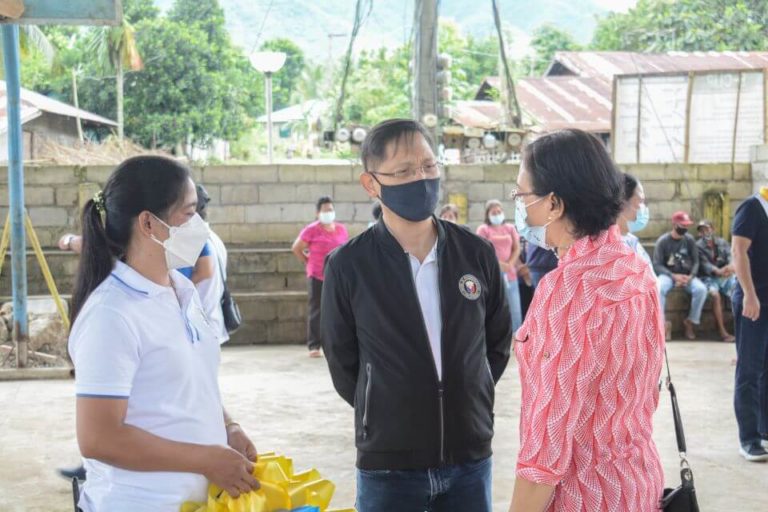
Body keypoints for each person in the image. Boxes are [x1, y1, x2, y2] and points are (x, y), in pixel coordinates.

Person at [322, 119, 512, 512]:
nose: (421, 179)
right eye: (404, 171)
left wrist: (470, 391)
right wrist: (384, 404)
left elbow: (496, 342)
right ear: (372, 184)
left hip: (470, 457)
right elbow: (343, 363)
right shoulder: (349, 265)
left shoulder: (475, 253)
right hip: (389, 465)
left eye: (428, 167)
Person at [68, 156, 259, 511]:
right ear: (148, 223)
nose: (199, 225)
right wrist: (205, 459)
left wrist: (227, 425)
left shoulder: (181, 290)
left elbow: (188, 385)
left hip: (190, 501)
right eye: (189, 214)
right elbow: (99, 438)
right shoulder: (112, 315)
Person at [509, 129, 664, 512]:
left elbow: (546, 448)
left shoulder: (566, 292)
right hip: (638, 483)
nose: (520, 206)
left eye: (522, 195)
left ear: (554, 203)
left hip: (584, 498)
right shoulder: (634, 269)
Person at [731, 186, 768, 461]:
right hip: (753, 302)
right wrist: (750, 295)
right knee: (750, 368)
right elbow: (738, 251)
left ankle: (764, 429)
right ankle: (749, 438)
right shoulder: (752, 208)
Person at [292, 196, 349, 358]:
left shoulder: (341, 229)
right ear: (318, 213)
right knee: (317, 310)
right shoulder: (311, 229)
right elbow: (297, 248)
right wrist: (308, 262)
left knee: (338, 310)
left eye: (330, 210)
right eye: (325, 210)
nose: (328, 213)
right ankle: (314, 345)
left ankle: (336, 343)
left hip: (337, 276)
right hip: (317, 275)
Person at [653, 211, 708, 340]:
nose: (685, 228)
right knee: (658, 287)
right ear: (674, 224)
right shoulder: (663, 241)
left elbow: (696, 261)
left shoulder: (689, 240)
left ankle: (690, 322)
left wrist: (691, 276)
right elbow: (657, 264)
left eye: (687, 225)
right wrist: (673, 276)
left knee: (701, 289)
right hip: (669, 275)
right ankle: (663, 324)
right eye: (682, 225)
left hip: (687, 276)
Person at [476, 199, 523, 332]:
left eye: (499, 211)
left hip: (510, 274)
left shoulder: (510, 228)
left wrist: (509, 264)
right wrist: (498, 264)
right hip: (492, 275)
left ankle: (516, 340)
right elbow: (481, 250)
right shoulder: (483, 229)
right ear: (488, 214)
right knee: (494, 309)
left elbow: (517, 248)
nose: (497, 214)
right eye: (493, 212)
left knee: (515, 309)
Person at [696, 219, 736, 342]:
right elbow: (705, 265)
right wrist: (719, 271)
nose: (705, 232)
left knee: (737, 289)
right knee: (715, 295)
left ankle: (740, 328)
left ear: (712, 229)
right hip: (708, 277)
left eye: (707, 229)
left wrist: (730, 267)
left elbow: (731, 256)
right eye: (702, 230)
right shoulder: (697, 246)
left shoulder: (722, 242)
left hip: (725, 275)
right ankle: (722, 332)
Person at [617, 173, 653, 271]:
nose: (643, 208)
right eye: (640, 201)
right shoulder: (613, 250)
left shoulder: (630, 239)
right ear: (622, 204)